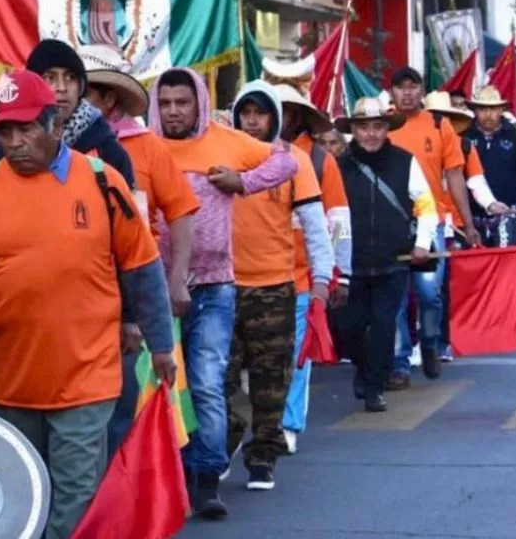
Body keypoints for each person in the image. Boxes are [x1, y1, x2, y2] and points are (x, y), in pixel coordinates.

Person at [0, 70, 175, 539]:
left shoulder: (101, 181)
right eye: (5, 132)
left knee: (74, 504)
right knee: (17, 504)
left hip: (86, 380)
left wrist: (161, 345)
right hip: (6, 386)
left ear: (54, 125)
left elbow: (142, 267)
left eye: (26, 129)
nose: (15, 142)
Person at [148, 67, 297, 518]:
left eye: (183, 102)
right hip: (154, 286)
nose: (174, 111)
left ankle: (207, 478)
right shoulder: (145, 146)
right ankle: (165, 472)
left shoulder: (227, 139)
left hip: (215, 287)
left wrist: (242, 182)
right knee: (161, 387)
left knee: (209, 385)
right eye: (166, 103)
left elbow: (286, 160)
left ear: (199, 102)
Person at [83, 68, 199, 455]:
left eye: (86, 94)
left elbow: (179, 213)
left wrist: (177, 277)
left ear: (108, 101)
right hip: (81, 298)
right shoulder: (50, 149)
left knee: (130, 401)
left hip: (135, 289)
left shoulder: (145, 148)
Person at [226, 81, 334, 491]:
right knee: (219, 379)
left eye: (261, 113)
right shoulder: (219, 155)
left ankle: (263, 457)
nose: (252, 121)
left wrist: (322, 280)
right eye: (246, 112)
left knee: (272, 383)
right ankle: (226, 440)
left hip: (275, 287)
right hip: (221, 288)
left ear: (274, 117)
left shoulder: (295, 161)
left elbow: (315, 227)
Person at [333, 98, 438, 413]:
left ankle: (375, 387)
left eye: (377, 127)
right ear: (353, 130)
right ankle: (363, 369)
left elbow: (426, 206)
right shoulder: (338, 166)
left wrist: (422, 243)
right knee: (347, 327)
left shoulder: (406, 161)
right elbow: (328, 213)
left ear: (386, 129)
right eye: (364, 127)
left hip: (394, 261)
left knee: (382, 325)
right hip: (350, 264)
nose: (371, 134)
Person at [270, 83, 350, 455]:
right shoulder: (249, 154)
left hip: (302, 275)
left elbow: (339, 220)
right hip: (255, 275)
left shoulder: (320, 160)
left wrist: (339, 274)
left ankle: (288, 424)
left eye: (285, 109)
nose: (275, 116)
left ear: (298, 116)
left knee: (296, 354)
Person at [387, 68, 473, 387]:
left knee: (428, 292)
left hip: (431, 221)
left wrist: (469, 221)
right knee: (395, 297)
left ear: (422, 91)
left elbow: (454, 176)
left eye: (413, 87)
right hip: (393, 225)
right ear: (392, 92)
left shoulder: (440, 125)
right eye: (400, 87)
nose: (407, 93)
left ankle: (432, 340)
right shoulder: (382, 125)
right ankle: (399, 363)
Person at [421, 92, 508, 364]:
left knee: (439, 289)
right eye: (434, 116)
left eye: (443, 116)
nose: (438, 121)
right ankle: (415, 342)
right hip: (415, 225)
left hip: (451, 228)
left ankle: (439, 341)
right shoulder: (411, 144)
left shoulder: (466, 147)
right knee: (416, 291)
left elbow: (477, 184)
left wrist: (492, 204)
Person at [22, 39, 135, 185]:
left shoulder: (109, 151)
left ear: (80, 87)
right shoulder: (12, 144)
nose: (62, 88)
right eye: (49, 78)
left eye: (70, 78)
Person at [465, 87, 516, 246]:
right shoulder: (464, 137)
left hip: (508, 214)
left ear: (501, 110)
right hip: (472, 217)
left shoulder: (515, 136)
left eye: (493, 109)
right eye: (482, 109)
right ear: (475, 110)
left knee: (506, 265)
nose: (488, 115)